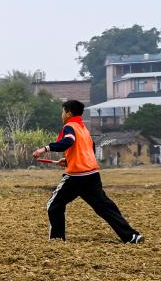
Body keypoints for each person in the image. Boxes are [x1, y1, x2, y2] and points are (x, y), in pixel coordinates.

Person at [33, 99, 143, 243]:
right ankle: (131, 236)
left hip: (76, 177)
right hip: (92, 176)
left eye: (63, 111)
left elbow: (68, 142)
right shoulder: (83, 129)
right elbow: (89, 149)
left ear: (68, 113)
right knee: (105, 207)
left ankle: (57, 240)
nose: (62, 114)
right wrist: (68, 160)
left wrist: (44, 149)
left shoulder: (70, 127)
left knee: (54, 205)